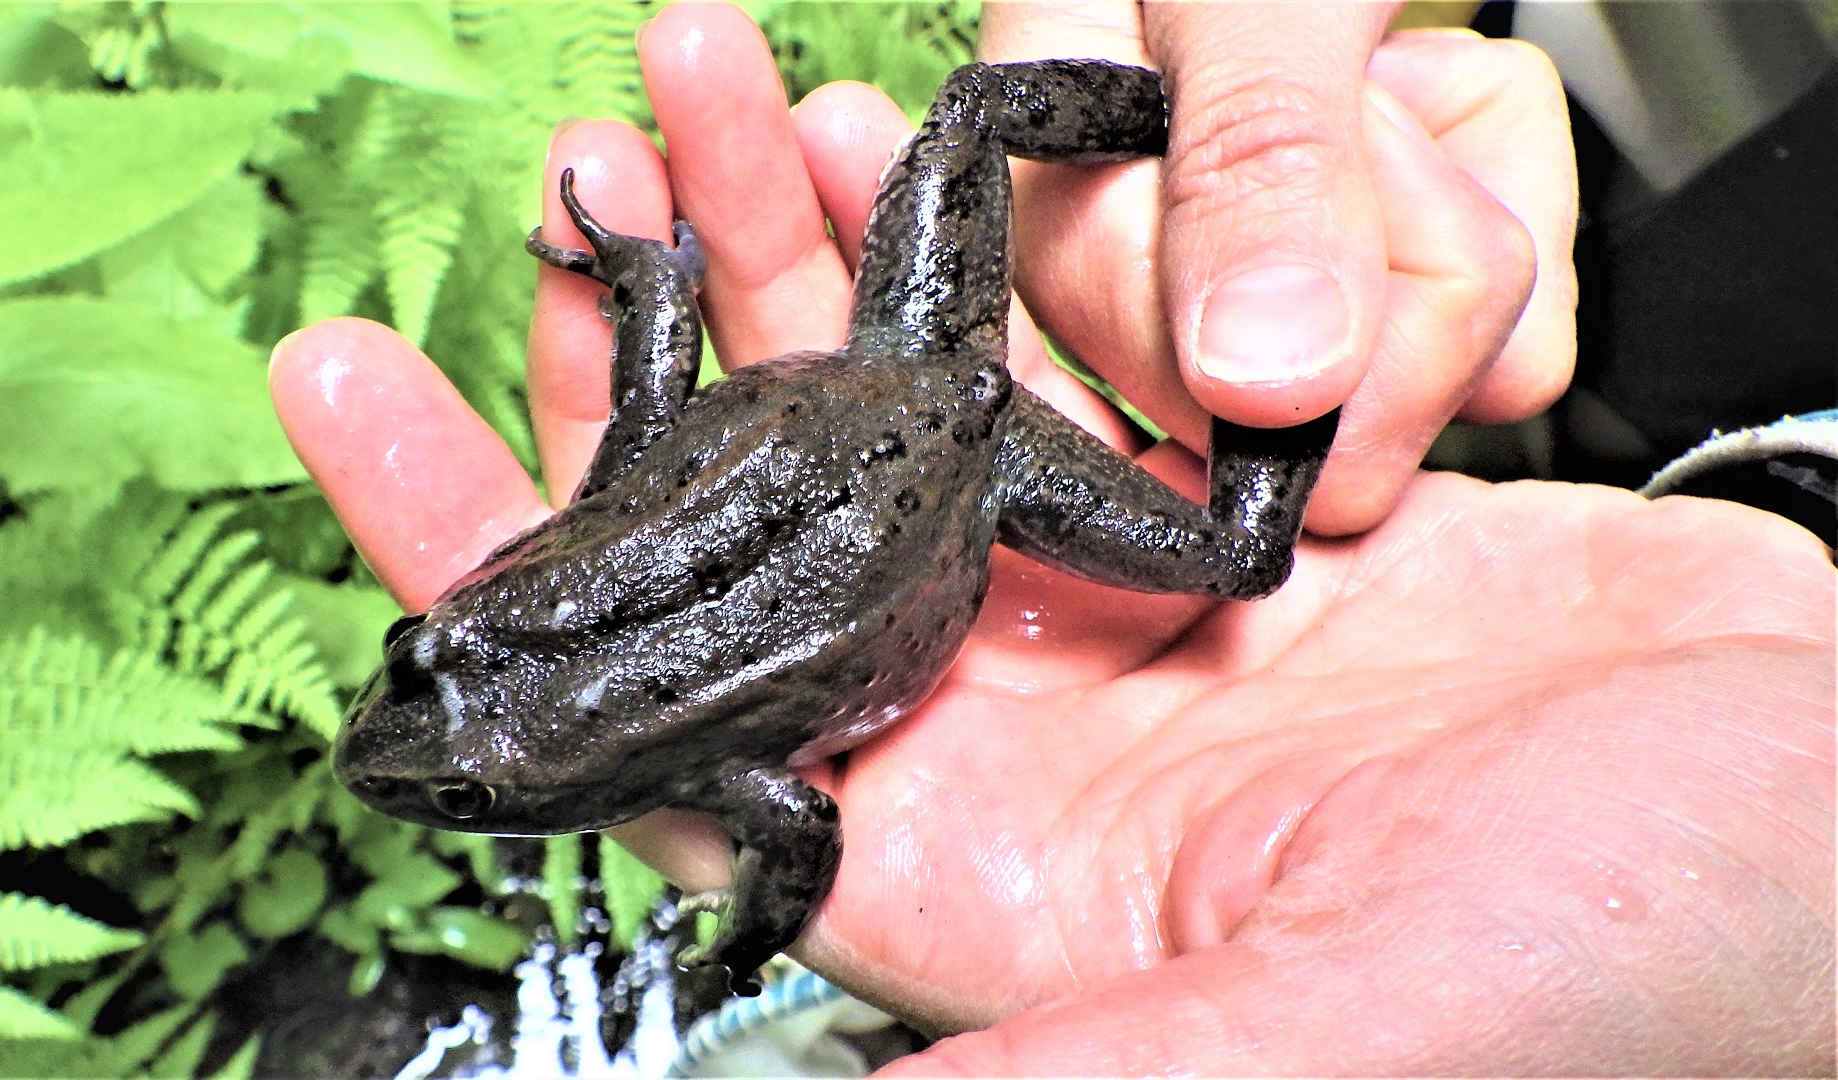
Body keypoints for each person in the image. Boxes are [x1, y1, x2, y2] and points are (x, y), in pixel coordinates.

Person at [270, 3, 1835, 1072]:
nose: (406, 711)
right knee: (979, 124)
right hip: (923, 368)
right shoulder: (610, 512)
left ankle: (1268, 334)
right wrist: (636, 282)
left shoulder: (681, 700)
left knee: (1237, 560)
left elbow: (800, 839)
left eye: (444, 678)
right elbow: (669, 305)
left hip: (965, 430)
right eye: (448, 714)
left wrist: (743, 943)